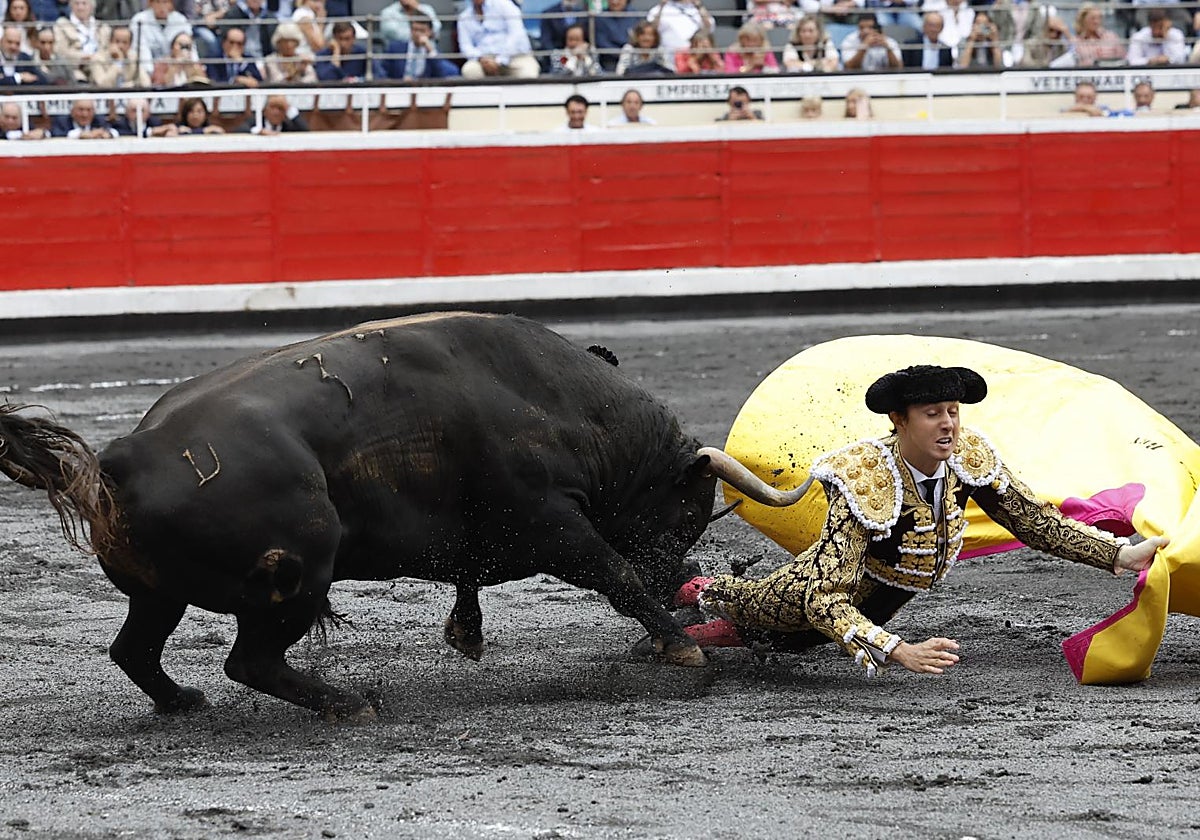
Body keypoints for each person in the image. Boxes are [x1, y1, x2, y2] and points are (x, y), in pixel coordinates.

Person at [668, 365, 1167, 676]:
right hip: (815, 590)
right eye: (932, 413)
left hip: (887, 593)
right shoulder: (866, 478)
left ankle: (708, 612)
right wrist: (900, 651)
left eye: (952, 411)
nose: (948, 423)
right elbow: (822, 596)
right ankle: (696, 593)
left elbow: (1031, 521)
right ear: (899, 421)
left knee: (789, 649)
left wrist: (1118, 554)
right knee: (764, 618)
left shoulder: (969, 455)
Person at [456, 0, 538, 79]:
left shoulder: (504, 4)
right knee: (470, 71)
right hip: (484, 60)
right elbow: (465, 46)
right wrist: (481, 58)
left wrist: (499, 61)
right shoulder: (464, 17)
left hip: (516, 57)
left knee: (529, 74)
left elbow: (516, 34)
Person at [381, 12, 459, 79]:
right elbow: (384, 74)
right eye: (415, 30)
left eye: (422, 31)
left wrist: (430, 50)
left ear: (430, 32)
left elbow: (441, 75)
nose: (417, 34)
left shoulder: (433, 52)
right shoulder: (395, 48)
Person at [129, 0, 192, 82]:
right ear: (150, 3)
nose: (161, 6)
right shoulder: (139, 20)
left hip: (175, 67)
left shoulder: (181, 20)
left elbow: (190, 48)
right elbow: (141, 50)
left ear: (171, 4)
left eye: (165, 2)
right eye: (157, 2)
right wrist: (152, 75)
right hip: (148, 70)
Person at [52, 0, 111, 84]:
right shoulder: (62, 24)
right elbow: (61, 51)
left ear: (91, 6)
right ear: (71, 6)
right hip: (77, 67)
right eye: (77, 4)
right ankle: (105, 89)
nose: (80, 7)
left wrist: (96, 57)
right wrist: (84, 57)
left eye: (84, 3)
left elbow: (108, 50)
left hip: (100, 64)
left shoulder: (103, 27)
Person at [315, 19, 382, 80]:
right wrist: (336, 53)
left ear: (354, 38)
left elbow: (379, 75)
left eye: (347, 39)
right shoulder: (323, 55)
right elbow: (325, 78)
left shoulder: (363, 53)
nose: (343, 43)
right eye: (340, 39)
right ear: (334, 38)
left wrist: (359, 80)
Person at [647, 0, 711, 63]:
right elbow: (652, 30)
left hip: (692, 59)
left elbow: (709, 27)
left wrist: (698, 5)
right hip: (667, 59)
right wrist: (662, 6)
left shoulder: (696, 9)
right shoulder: (657, 9)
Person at [1067, 3, 1123, 68]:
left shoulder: (1111, 37)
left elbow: (1122, 59)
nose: (1096, 21)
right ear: (1083, 19)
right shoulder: (1076, 41)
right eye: (1092, 18)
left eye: (1099, 18)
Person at [592, 0, 641, 72]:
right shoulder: (600, 18)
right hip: (609, 62)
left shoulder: (635, 16)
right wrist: (621, 54)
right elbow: (601, 42)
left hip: (633, 59)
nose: (615, 2)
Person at [238, 92, 307, 132]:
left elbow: (305, 131)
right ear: (265, 111)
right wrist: (258, 131)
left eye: (280, 108)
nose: (276, 112)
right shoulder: (256, 122)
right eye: (273, 107)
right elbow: (240, 130)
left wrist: (289, 108)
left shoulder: (288, 126)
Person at [50, 97, 118, 136]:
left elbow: (114, 132)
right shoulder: (62, 121)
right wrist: (79, 134)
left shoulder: (99, 120)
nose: (85, 114)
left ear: (94, 112)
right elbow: (55, 133)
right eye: (81, 110)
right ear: (72, 111)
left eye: (89, 110)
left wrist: (106, 134)